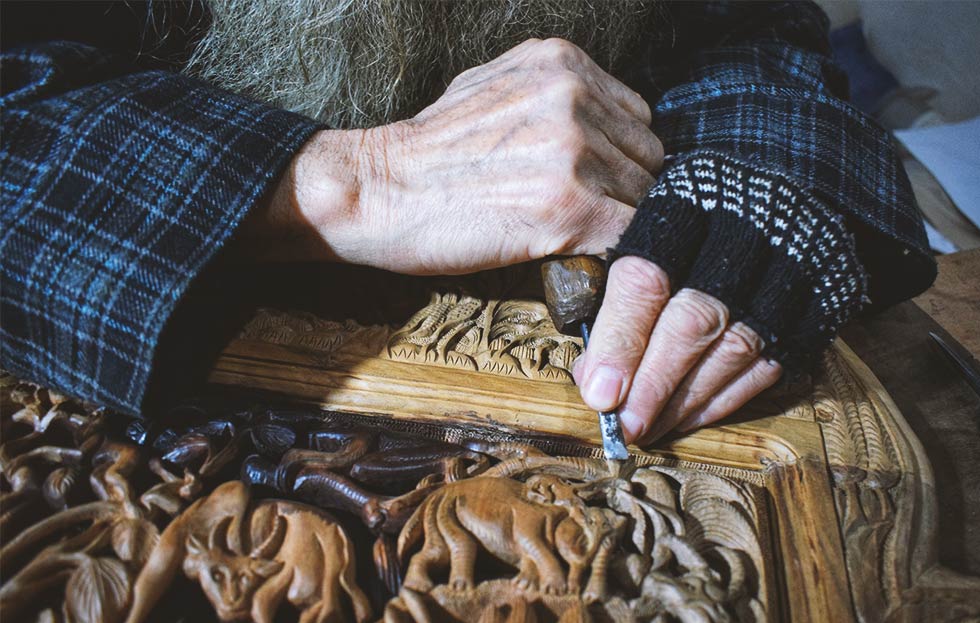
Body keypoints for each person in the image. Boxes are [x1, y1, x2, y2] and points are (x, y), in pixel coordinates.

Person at [0, 1, 935, 445]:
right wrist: (348, 181)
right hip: (126, 350)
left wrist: (756, 180)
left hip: (565, 331)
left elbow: (752, 30)